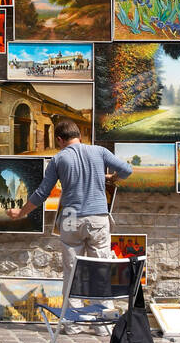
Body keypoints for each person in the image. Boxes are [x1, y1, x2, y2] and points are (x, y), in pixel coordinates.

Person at [8, 119, 132, 301]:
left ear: (59, 139)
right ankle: (101, 322)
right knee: (101, 268)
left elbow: (42, 193)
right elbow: (127, 170)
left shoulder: (58, 159)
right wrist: (112, 176)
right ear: (79, 136)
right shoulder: (99, 151)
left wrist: (21, 212)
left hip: (70, 217)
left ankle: (72, 323)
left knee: (72, 270)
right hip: (98, 216)